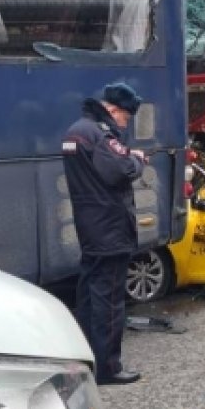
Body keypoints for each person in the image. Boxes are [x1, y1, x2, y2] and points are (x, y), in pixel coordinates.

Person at [62, 83, 147, 385]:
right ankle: (109, 368)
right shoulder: (98, 133)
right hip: (110, 228)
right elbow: (119, 170)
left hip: (90, 226)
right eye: (125, 118)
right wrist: (137, 159)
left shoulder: (77, 130)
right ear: (113, 110)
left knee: (88, 296)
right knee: (109, 300)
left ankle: (86, 358)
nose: (124, 124)